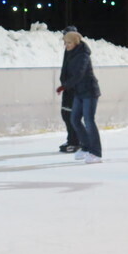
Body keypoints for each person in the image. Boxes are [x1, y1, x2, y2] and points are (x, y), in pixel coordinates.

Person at [57, 29, 101, 163]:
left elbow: (79, 74)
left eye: (68, 42)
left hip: (89, 91)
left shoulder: (83, 54)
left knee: (89, 121)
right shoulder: (71, 53)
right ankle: (86, 147)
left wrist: (64, 86)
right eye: (65, 42)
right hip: (79, 92)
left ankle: (96, 153)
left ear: (75, 42)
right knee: (74, 119)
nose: (66, 45)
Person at [57, 26, 81, 153]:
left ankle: (76, 141)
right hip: (68, 87)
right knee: (66, 114)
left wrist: (69, 85)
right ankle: (72, 139)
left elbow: (79, 72)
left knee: (72, 116)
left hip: (74, 89)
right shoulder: (69, 50)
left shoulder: (78, 52)